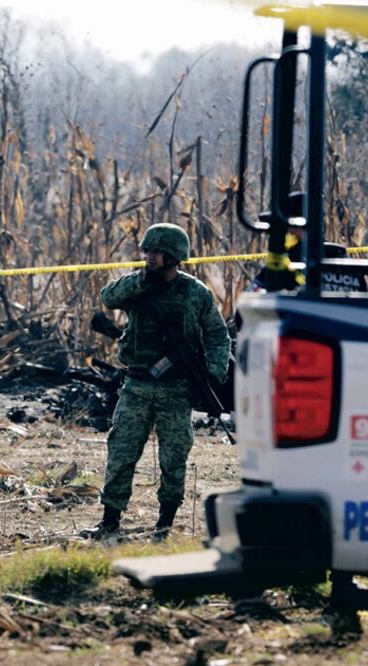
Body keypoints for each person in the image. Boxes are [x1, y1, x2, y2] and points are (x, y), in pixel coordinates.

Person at [84, 223, 230, 540]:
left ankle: (164, 524)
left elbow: (218, 335)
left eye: (158, 252)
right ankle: (109, 520)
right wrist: (140, 282)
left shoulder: (195, 293)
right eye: (148, 251)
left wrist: (212, 372)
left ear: (174, 256)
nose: (151, 257)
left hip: (176, 389)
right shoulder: (137, 287)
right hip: (136, 386)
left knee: (174, 458)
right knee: (121, 452)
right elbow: (108, 297)